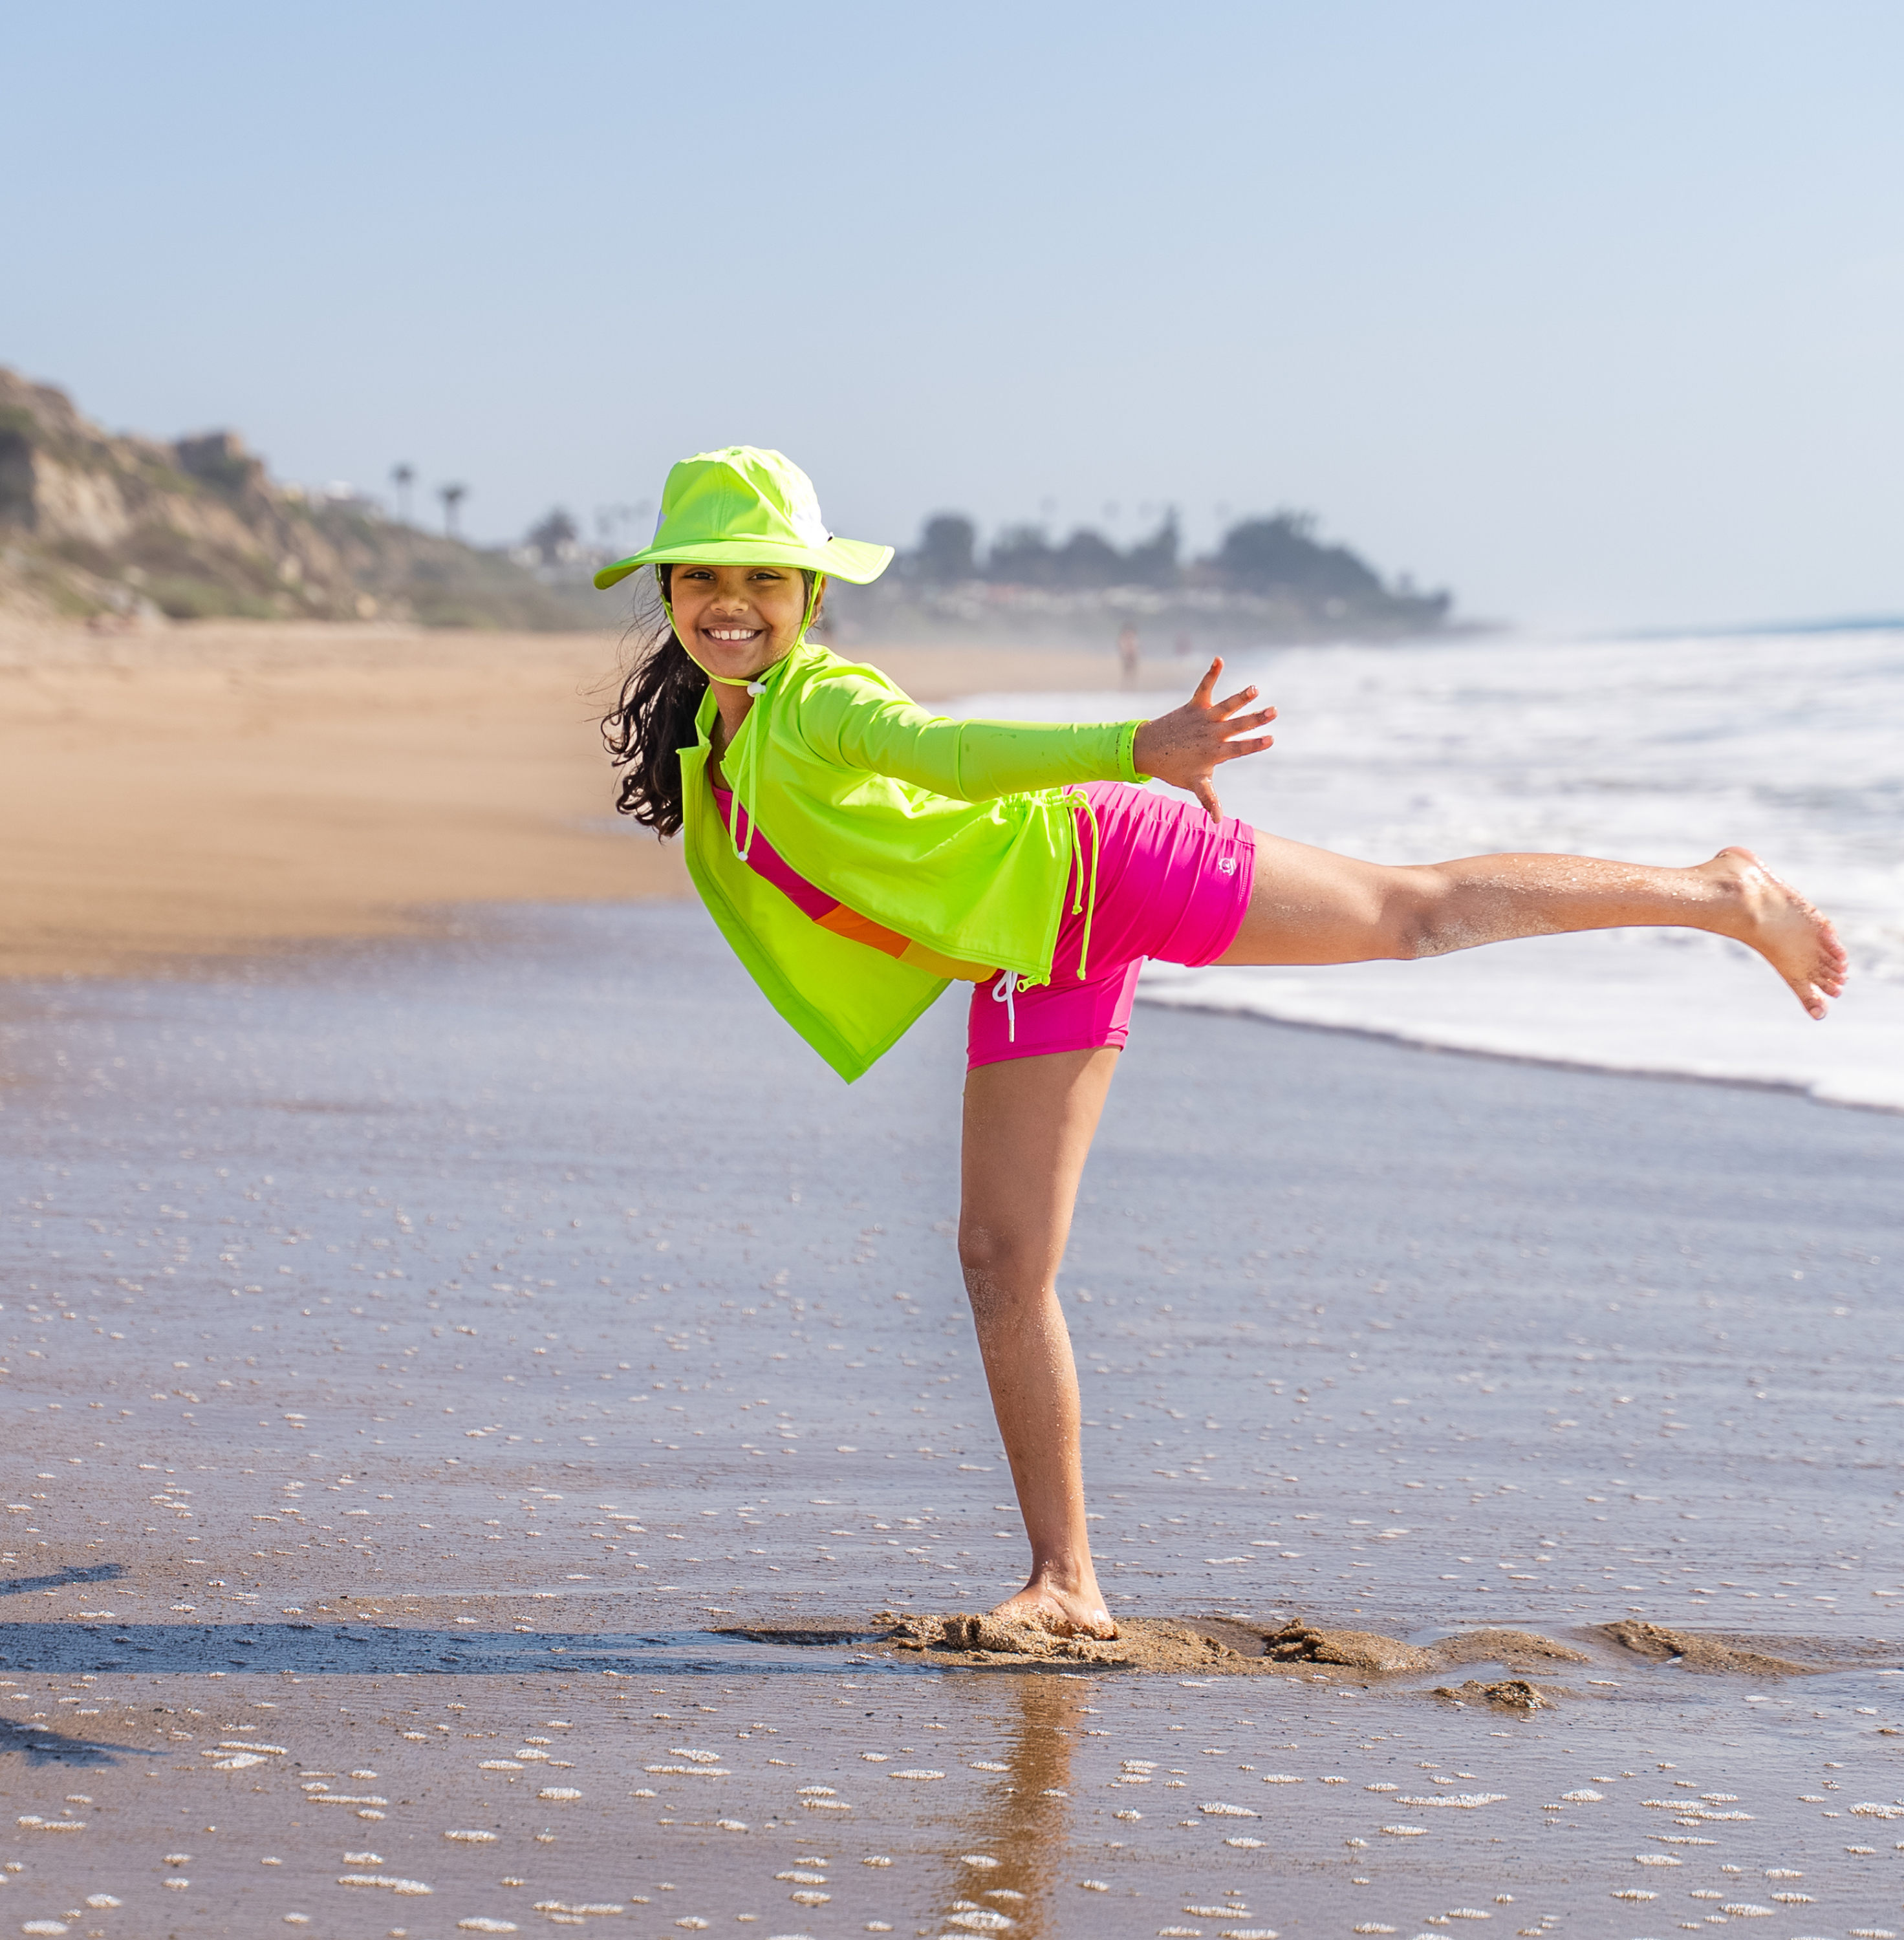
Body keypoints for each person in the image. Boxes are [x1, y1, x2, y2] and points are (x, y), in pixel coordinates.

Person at [600, 447, 1847, 1639]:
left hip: (1106, 865)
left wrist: (1134, 749)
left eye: (765, 577)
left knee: (1413, 916)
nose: (733, 603)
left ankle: (1719, 894)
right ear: (669, 593)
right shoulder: (722, 730)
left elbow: (947, 754)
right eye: (706, 576)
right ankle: (1067, 1582)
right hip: (1032, 948)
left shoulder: (820, 695)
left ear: (811, 597)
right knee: (997, 1254)